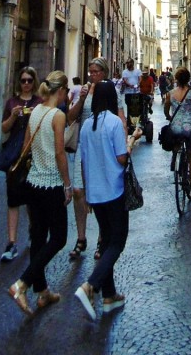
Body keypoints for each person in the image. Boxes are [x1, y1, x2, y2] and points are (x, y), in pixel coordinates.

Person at [7, 71, 72, 317]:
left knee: (38, 237)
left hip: (33, 183)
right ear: (62, 90)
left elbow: (26, 147)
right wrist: (66, 183)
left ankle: (42, 290)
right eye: (66, 91)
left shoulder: (35, 110)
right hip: (51, 184)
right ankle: (21, 284)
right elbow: (59, 153)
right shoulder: (58, 115)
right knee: (58, 238)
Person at [75, 81, 141, 319]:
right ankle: (91, 285)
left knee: (105, 243)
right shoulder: (113, 122)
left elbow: (83, 162)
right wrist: (132, 140)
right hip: (113, 191)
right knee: (117, 242)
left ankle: (109, 297)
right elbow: (122, 158)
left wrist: (87, 196)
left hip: (95, 193)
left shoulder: (85, 127)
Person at [67, 57, 126, 262]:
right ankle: (81, 237)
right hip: (86, 145)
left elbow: (120, 117)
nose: (92, 75)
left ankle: (103, 238)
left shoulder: (111, 91)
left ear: (104, 73)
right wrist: (81, 99)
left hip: (105, 147)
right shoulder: (82, 90)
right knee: (78, 191)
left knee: (103, 192)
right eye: (90, 71)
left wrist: (124, 146)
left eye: (96, 72)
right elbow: (71, 117)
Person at [0, 65, 41, 262]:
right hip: (15, 157)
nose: (26, 84)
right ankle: (11, 242)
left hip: (33, 157)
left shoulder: (39, 103)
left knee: (32, 200)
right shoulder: (12, 103)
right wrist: (13, 115)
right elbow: (4, 129)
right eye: (23, 81)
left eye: (29, 81)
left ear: (34, 82)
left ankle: (33, 231)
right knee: (13, 200)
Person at [163, 66, 191, 201]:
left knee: (177, 140)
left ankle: (175, 155)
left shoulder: (170, 93)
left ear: (176, 79)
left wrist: (169, 117)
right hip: (189, 128)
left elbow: (166, 109)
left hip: (176, 127)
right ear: (188, 79)